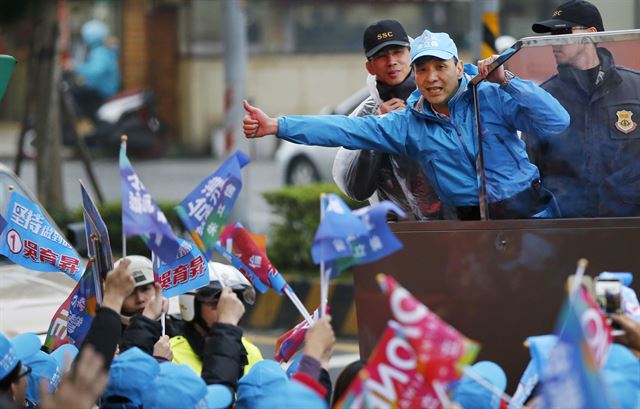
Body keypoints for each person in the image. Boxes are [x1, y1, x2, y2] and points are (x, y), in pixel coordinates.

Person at [244, 30, 570, 220]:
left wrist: (507, 80)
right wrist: (277, 125)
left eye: (440, 66)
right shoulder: (406, 124)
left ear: (458, 67)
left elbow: (556, 121)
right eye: (422, 69)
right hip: (468, 225)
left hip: (531, 212)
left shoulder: (491, 95)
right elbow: (343, 128)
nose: (431, 77)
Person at [528, 0, 640, 217]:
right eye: (551, 35)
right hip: (568, 227)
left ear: (590, 34)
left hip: (630, 225)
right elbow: (530, 168)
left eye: (562, 32)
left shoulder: (636, 89)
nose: (554, 42)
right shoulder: (544, 98)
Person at [332, 20, 441, 219]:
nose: (391, 61)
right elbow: (356, 188)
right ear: (369, 66)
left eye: (398, 52)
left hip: (455, 229)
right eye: (382, 56)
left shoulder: (443, 96)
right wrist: (378, 128)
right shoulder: (369, 113)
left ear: (411, 53)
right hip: (397, 233)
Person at [170, 262, 262, 389]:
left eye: (232, 302)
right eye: (216, 303)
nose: (226, 310)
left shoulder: (251, 351)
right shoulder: (171, 354)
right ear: (191, 306)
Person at [66, 19, 120, 122]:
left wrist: (75, 67)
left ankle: (87, 129)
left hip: (103, 92)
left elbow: (96, 71)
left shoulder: (100, 52)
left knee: (76, 98)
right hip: (102, 90)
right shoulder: (100, 50)